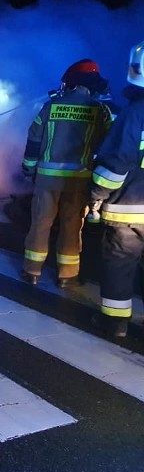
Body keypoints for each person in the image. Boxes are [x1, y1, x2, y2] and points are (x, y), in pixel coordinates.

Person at [19, 59, 113, 288]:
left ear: (71, 83)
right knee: (72, 226)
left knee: (41, 223)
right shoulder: (100, 111)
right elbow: (110, 144)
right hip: (79, 180)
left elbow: (33, 139)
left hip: (47, 179)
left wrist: (28, 168)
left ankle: (32, 271)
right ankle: (67, 276)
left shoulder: (50, 107)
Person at [88, 40, 144, 338]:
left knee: (120, 264)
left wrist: (96, 196)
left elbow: (115, 165)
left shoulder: (135, 113)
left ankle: (115, 323)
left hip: (130, 212)